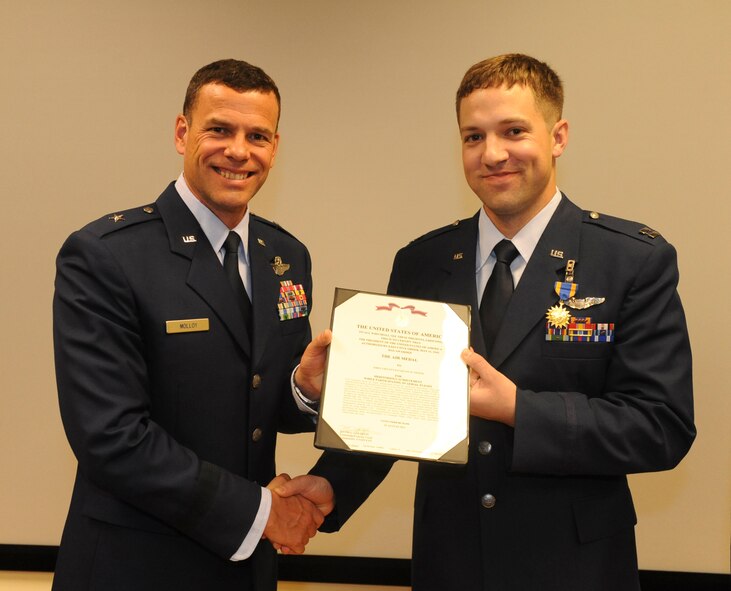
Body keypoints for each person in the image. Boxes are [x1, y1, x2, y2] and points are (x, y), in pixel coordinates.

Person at [275, 54, 696, 590]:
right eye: (473, 137)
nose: (492, 154)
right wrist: (333, 486)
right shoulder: (423, 261)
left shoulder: (629, 261)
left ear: (558, 136)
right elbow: (399, 410)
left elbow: (661, 427)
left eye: (513, 131)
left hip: (575, 570)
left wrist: (518, 410)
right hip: (450, 563)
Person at [52, 59, 332, 591]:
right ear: (183, 134)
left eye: (258, 136)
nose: (238, 151)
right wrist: (261, 512)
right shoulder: (107, 256)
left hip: (246, 567)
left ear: (275, 147)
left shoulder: (286, 256)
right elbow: (111, 438)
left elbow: (259, 401)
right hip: (135, 564)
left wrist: (303, 389)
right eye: (219, 130)